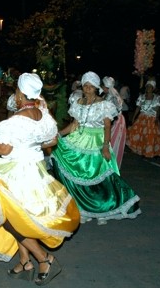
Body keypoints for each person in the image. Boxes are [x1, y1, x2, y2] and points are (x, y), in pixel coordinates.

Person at [0, 73, 79, 286]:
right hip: (36, 170)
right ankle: (25, 261)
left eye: (17, 92)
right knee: (17, 216)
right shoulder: (44, 115)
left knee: (13, 221)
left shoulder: (17, 121)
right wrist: (32, 145)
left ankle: (44, 258)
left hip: (18, 173)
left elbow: (4, 148)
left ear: (21, 94)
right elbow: (52, 140)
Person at [50, 71, 141, 225]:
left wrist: (105, 146)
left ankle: (104, 210)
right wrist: (59, 134)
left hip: (97, 141)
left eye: (91, 86)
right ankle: (83, 208)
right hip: (78, 139)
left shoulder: (105, 105)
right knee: (79, 176)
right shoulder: (78, 102)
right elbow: (74, 125)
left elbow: (107, 127)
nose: (87, 88)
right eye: (85, 85)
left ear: (97, 87)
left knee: (101, 179)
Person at [126, 79, 160, 158]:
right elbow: (138, 108)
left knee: (150, 136)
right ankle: (142, 151)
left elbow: (158, 110)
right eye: (147, 87)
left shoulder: (157, 98)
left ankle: (149, 151)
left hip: (152, 119)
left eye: (150, 87)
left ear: (153, 88)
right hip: (142, 118)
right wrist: (133, 117)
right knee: (140, 135)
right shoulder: (141, 97)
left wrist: (156, 118)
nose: (148, 88)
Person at [102, 76, 127, 168]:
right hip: (118, 120)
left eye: (103, 86)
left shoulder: (110, 96)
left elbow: (108, 111)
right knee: (114, 141)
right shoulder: (113, 93)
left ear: (106, 86)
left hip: (114, 121)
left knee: (111, 141)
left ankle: (110, 163)